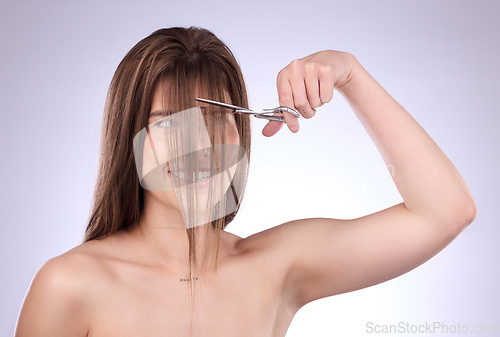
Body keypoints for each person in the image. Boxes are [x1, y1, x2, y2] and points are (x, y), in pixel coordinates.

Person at [15, 26, 477, 337]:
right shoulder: (69, 284)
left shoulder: (277, 267)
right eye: (170, 123)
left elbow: (445, 211)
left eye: (216, 120)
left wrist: (349, 73)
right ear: (128, 137)